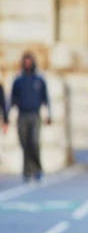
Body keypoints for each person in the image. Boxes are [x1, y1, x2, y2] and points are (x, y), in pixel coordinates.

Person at [10, 52, 51, 182]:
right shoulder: (18, 81)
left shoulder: (39, 80)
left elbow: (46, 99)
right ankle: (27, 171)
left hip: (35, 115)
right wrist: (7, 117)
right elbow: (12, 99)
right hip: (22, 115)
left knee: (34, 142)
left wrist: (48, 115)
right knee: (24, 144)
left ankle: (38, 169)